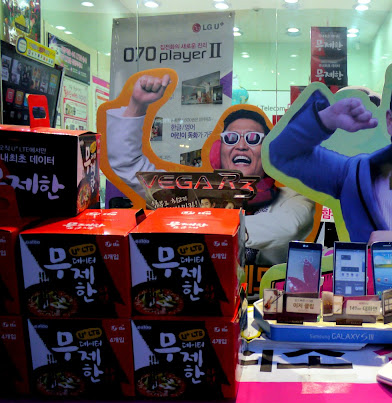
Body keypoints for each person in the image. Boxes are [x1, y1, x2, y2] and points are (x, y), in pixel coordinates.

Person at [106, 74, 316, 266]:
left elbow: (289, 226)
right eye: (231, 138)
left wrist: (196, 221)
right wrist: (136, 106)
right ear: (218, 152)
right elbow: (127, 163)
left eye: (253, 139)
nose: (241, 146)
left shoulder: (294, 198)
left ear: (268, 152)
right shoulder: (196, 191)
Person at [269, 65, 392, 269]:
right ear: (390, 121)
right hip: (370, 288)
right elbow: (283, 154)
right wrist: (325, 119)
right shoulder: (357, 174)